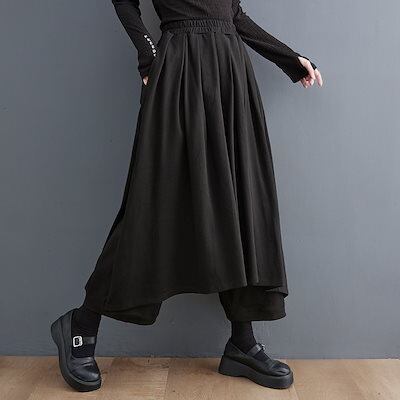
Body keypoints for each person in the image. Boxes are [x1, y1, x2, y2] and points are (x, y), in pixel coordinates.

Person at [50, 0, 323, 393]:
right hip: (178, 72)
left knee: (240, 200)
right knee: (153, 205)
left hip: (230, 74)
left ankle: (242, 342)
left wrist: (288, 58)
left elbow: (233, 15)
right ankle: (81, 324)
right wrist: (149, 56)